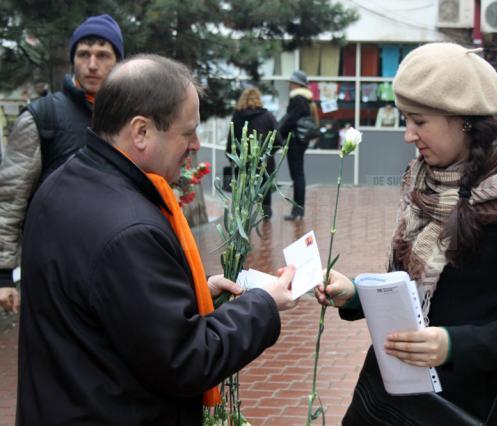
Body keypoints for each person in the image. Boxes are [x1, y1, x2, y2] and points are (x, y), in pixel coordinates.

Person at [16, 54, 296, 425]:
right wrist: (263, 304)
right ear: (141, 131)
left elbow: (109, 307)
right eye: (187, 132)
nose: (196, 144)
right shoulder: (130, 230)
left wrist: (189, 291)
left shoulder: (62, 182)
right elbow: (186, 359)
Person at [315, 43, 497, 425]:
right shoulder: (421, 182)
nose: (408, 135)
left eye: (419, 121)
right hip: (390, 398)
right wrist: (354, 294)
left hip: (469, 406)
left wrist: (450, 344)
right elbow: (409, 291)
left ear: (465, 121)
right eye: (405, 120)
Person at [0, 14, 124, 313]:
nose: (92, 64)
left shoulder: (129, 119)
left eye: (103, 55)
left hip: (115, 266)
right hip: (52, 270)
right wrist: (3, 274)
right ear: (73, 60)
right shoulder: (42, 116)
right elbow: (9, 198)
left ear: (119, 61)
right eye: (84, 54)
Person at [227, 87, 282, 219]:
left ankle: (243, 222)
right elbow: (279, 140)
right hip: (264, 162)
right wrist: (268, 153)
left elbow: (231, 141)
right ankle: (266, 216)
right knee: (265, 190)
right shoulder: (267, 116)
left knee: (243, 192)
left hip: (244, 162)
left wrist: (233, 158)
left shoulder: (237, 116)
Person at [278, 70, 319, 220]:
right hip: (300, 141)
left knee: (298, 176)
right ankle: (298, 211)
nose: (289, 84)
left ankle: (298, 211)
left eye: (291, 81)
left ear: (297, 84)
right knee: (298, 175)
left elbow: (290, 119)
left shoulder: (298, 98)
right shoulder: (305, 98)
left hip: (295, 141)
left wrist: (277, 132)